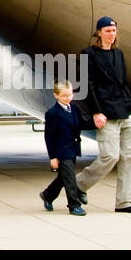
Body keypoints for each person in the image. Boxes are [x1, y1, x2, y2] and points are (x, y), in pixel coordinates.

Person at [73, 17, 131, 213]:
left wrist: (130, 102)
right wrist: (96, 112)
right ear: (99, 33)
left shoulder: (118, 54)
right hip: (106, 113)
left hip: (126, 111)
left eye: (114, 31)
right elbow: (88, 84)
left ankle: (125, 202)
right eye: (108, 31)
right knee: (110, 156)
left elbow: (123, 83)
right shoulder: (89, 54)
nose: (112, 34)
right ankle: (78, 185)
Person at [40, 80, 86, 215]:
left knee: (63, 178)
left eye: (70, 95)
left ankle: (47, 195)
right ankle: (74, 205)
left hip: (73, 149)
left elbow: (81, 125)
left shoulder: (75, 109)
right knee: (70, 178)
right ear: (56, 95)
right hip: (62, 151)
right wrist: (52, 157)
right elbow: (49, 137)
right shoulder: (52, 114)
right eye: (64, 95)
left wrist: (97, 121)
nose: (68, 98)